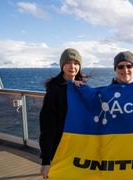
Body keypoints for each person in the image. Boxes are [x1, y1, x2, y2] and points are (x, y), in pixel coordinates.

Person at [39, 48, 86, 179]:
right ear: (62, 66)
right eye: (68, 63)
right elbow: (47, 127)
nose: (72, 66)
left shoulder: (83, 89)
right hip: (60, 149)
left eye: (76, 63)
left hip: (78, 149)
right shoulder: (54, 91)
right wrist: (46, 160)